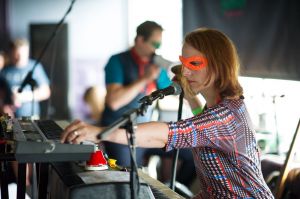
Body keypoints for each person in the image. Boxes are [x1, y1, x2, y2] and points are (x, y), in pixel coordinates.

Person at [61, 27, 274, 198]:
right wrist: (190, 94)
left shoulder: (225, 115)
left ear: (219, 66)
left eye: (195, 64)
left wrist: (99, 133)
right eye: (184, 64)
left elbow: (171, 133)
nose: (186, 71)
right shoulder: (216, 109)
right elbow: (202, 123)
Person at [99, 21, 172, 167]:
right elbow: (114, 102)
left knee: (189, 155)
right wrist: (145, 79)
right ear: (140, 40)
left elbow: (172, 91)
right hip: (119, 131)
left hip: (145, 130)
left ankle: (169, 187)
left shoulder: (156, 64)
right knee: (127, 173)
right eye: (155, 44)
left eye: (159, 45)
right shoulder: (117, 61)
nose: (157, 49)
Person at [0, 38, 50, 118]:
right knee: (7, 130)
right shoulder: (5, 68)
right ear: (11, 53)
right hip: (7, 116)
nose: (20, 58)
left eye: (23, 54)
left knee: (30, 131)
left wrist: (25, 96)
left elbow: (46, 92)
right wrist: (2, 107)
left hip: (30, 116)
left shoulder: (35, 67)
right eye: (17, 54)